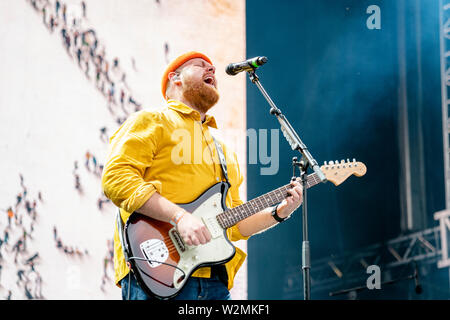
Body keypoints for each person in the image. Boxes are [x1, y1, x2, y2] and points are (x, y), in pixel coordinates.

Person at [101, 51, 303, 300]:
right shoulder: (151, 121)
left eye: (213, 69)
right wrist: (179, 217)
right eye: (200, 66)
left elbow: (235, 224)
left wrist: (279, 212)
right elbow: (116, 178)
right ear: (175, 78)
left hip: (214, 281)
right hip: (159, 273)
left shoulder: (224, 152)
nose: (212, 71)